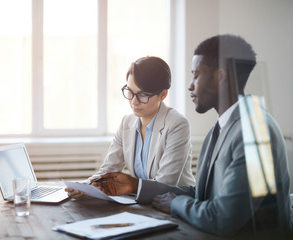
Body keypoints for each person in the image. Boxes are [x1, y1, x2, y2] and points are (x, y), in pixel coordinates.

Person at [96, 35, 291, 237]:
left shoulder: (256, 134)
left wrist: (176, 203)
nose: (190, 86)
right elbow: (202, 195)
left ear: (220, 77)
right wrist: (135, 185)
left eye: (196, 76)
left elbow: (223, 218)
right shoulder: (221, 127)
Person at [65, 56, 195, 199]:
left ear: (163, 94)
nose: (134, 102)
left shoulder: (177, 124)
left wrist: (130, 186)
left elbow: (165, 183)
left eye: (143, 95)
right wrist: (85, 187)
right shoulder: (127, 123)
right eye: (130, 92)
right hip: (141, 204)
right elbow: (109, 169)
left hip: (174, 205)